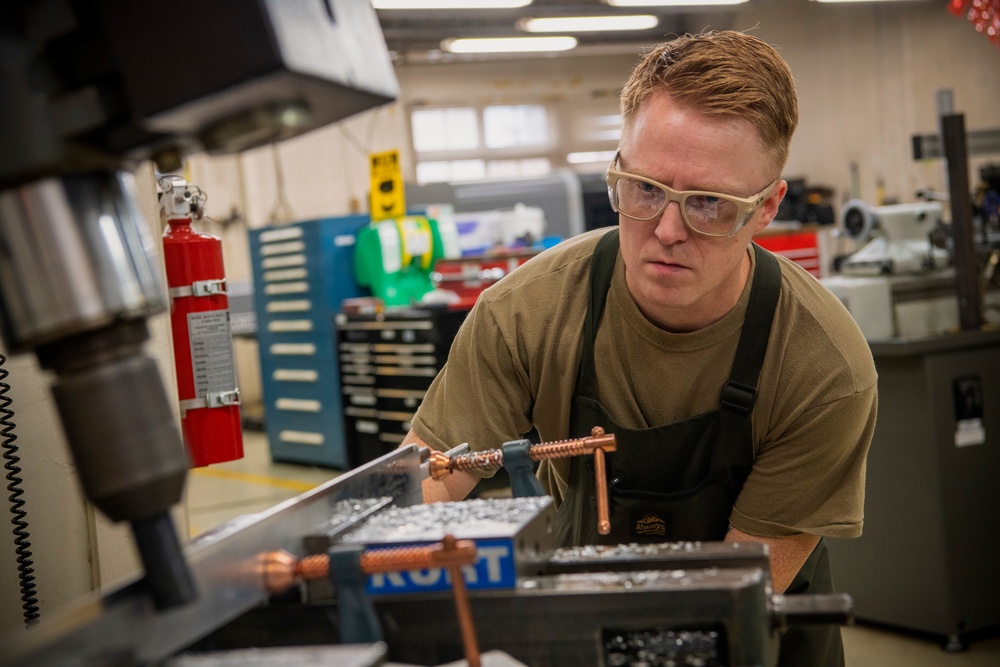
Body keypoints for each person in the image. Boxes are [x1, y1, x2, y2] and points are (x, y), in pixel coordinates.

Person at [401, 30, 877, 667]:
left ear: (766, 207)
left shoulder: (822, 367)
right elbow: (420, 497)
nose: (668, 230)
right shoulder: (526, 314)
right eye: (645, 189)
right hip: (577, 629)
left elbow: (731, 601)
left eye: (709, 203)